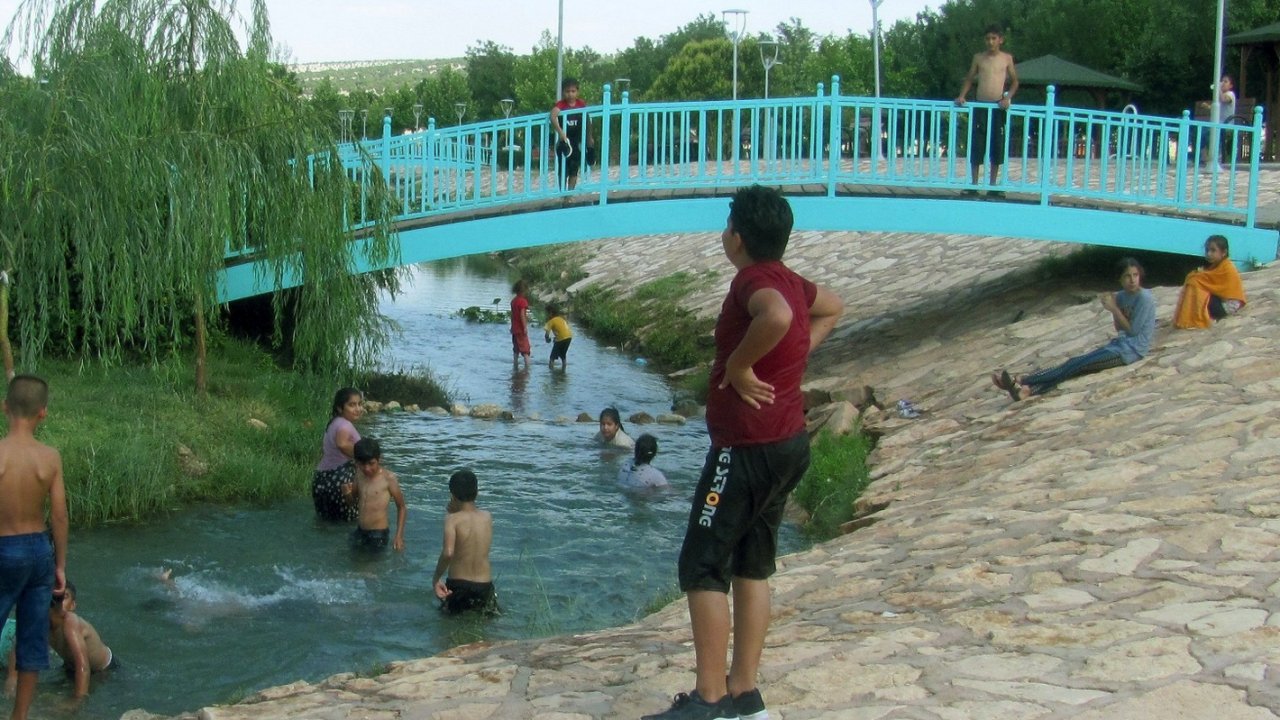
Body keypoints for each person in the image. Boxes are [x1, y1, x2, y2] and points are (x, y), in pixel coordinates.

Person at [643, 185, 844, 720]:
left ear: (737, 236)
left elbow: (775, 317)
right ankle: (744, 693)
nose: (724, 231)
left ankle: (709, 699)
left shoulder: (755, 281)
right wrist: (786, 362)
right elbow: (832, 308)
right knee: (753, 564)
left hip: (746, 448)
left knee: (702, 563)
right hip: (787, 443)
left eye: (727, 223)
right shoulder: (790, 278)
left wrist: (739, 366)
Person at [0, 375, 69, 720]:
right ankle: (19, 717)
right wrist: (60, 565)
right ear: (43, 413)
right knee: (31, 639)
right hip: (39, 551)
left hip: (3, 548)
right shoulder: (50, 457)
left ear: (4, 406)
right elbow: (59, 516)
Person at [994, 257, 1156, 401]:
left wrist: (1114, 309)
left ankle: (1022, 381)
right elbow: (1119, 328)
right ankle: (1028, 391)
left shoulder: (1144, 298)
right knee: (1075, 366)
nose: (1132, 280)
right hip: (1118, 345)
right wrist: (1113, 308)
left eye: (1135, 275)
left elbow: (1133, 332)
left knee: (1076, 365)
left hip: (1131, 352)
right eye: (1127, 276)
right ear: (1120, 279)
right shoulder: (1122, 296)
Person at [954, 24, 1019, 198]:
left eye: (993, 38)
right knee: (977, 144)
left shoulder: (1006, 58)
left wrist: (1007, 98)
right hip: (980, 106)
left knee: (996, 145)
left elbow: (1014, 82)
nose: (990, 42)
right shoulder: (978, 58)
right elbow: (969, 78)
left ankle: (993, 185)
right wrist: (961, 96)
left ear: (1000, 40)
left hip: (997, 107)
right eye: (987, 38)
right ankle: (973, 184)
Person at [432, 470, 497, 615]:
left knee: (449, 629)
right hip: (484, 585)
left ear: (452, 495)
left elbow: (448, 553)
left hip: (459, 585)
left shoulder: (452, 519)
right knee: (483, 629)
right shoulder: (487, 517)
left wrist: (436, 579)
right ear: (477, 492)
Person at [45, 581, 116, 700]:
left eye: (65, 597)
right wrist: (12, 679)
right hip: (70, 666)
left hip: (104, 670)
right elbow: (20, 648)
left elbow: (83, 666)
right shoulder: (42, 621)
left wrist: (78, 701)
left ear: (72, 605)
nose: (59, 602)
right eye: (55, 597)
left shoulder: (71, 623)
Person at [1174, 235, 1246, 329]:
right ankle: (1190, 316)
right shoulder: (1217, 265)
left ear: (1224, 252)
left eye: (1213, 250)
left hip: (1227, 306)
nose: (1208, 253)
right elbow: (1210, 281)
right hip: (1221, 301)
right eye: (1207, 250)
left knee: (1196, 284)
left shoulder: (1227, 268)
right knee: (1194, 279)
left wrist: (1198, 278)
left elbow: (1215, 286)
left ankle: (1194, 318)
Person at [313, 388, 363, 522]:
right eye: (352, 405)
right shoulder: (345, 425)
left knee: (324, 522)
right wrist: (367, 456)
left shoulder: (334, 423)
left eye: (359, 404)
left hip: (321, 479)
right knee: (347, 524)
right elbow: (342, 444)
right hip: (340, 480)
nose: (358, 408)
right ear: (340, 408)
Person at [350, 439, 407, 552]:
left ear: (379, 459)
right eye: (362, 464)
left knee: (370, 566)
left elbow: (401, 507)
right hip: (360, 530)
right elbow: (352, 502)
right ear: (356, 462)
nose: (367, 469)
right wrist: (347, 493)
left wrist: (399, 536)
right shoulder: (359, 474)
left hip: (378, 533)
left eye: (371, 463)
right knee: (354, 563)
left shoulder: (388, 479)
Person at [550, 77, 594, 190]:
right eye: (567, 91)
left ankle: (569, 194)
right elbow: (553, 116)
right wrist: (561, 133)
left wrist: (589, 140)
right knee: (563, 169)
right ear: (563, 92)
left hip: (575, 142)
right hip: (563, 142)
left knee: (574, 169)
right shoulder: (561, 105)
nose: (570, 94)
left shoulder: (581, 104)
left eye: (573, 91)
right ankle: (562, 193)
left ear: (577, 92)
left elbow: (587, 120)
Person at [543, 303, 573, 370]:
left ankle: (551, 370)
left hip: (561, 338)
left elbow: (547, 334)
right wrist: (556, 338)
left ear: (550, 313)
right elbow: (562, 330)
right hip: (569, 337)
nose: (546, 315)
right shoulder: (561, 319)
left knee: (552, 358)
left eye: (546, 313)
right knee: (563, 355)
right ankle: (563, 370)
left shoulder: (551, 321)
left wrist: (547, 339)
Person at [510, 279, 532, 369]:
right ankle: (528, 368)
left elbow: (512, 315)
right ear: (523, 290)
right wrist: (525, 327)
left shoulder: (513, 301)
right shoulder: (523, 301)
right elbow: (522, 315)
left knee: (516, 350)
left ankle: (515, 365)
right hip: (520, 329)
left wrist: (512, 326)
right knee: (526, 351)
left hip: (514, 329)